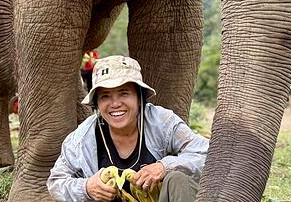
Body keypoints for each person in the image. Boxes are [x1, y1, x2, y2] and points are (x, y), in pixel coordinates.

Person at [47, 56, 209, 202]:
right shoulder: (82, 138)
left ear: (139, 98)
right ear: (97, 104)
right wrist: (86, 188)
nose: (115, 103)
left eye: (124, 93)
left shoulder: (163, 122)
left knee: (177, 180)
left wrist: (164, 167)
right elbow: (56, 182)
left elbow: (206, 153)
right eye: (105, 96)